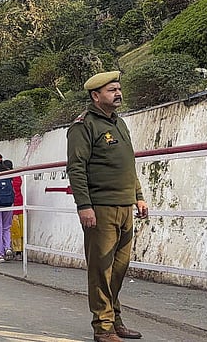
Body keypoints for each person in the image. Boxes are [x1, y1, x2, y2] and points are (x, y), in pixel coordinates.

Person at [67, 70, 149, 342]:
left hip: (125, 207)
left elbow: (128, 164)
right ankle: (103, 328)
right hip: (101, 208)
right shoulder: (83, 126)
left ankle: (114, 320)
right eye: (112, 90)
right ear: (96, 95)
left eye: (118, 89)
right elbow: (76, 168)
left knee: (118, 269)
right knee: (101, 270)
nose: (118, 93)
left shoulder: (119, 124)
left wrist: (138, 195)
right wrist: (84, 205)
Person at [8, 159, 24, 261]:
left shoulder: (7, 177)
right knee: (21, 229)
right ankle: (20, 251)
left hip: (12, 205)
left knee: (15, 231)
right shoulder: (17, 176)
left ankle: (17, 251)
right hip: (20, 203)